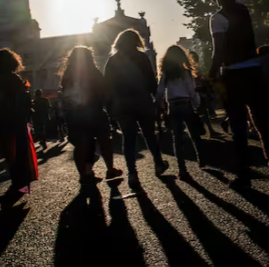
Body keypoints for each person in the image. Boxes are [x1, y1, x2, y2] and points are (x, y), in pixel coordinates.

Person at [209, 0, 269, 187]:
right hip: (254, 72)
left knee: (238, 126)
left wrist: (213, 72)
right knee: (263, 124)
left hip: (233, 75)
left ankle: (244, 175)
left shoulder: (217, 18)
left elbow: (219, 49)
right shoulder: (243, 11)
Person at [104, 29, 169, 190]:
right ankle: (158, 163)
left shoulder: (112, 60)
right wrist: (158, 100)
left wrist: (110, 108)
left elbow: (107, 86)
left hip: (122, 104)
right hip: (142, 100)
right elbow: (151, 81)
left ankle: (132, 174)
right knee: (149, 134)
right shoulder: (142, 57)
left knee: (129, 139)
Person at [60, 46, 122, 185]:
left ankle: (85, 173)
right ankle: (110, 169)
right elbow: (105, 90)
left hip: (75, 114)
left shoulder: (68, 74)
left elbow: (64, 93)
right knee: (104, 140)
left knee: (82, 144)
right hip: (95, 111)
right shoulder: (93, 71)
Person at [0, 49, 38, 205]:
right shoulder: (14, 78)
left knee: (12, 155)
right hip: (17, 121)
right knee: (19, 154)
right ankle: (21, 187)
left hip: (6, 122)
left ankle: (18, 187)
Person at [156, 45, 204, 180]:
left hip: (173, 106)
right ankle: (201, 159)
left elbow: (160, 91)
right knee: (194, 134)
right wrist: (197, 105)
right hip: (186, 103)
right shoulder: (186, 72)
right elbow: (192, 90)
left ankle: (182, 169)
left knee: (177, 139)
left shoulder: (166, 74)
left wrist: (158, 106)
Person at [189, 50, 221, 138]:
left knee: (203, 112)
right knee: (202, 113)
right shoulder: (190, 68)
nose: (195, 59)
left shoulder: (195, 68)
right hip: (196, 93)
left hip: (199, 93)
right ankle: (206, 131)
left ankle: (208, 130)